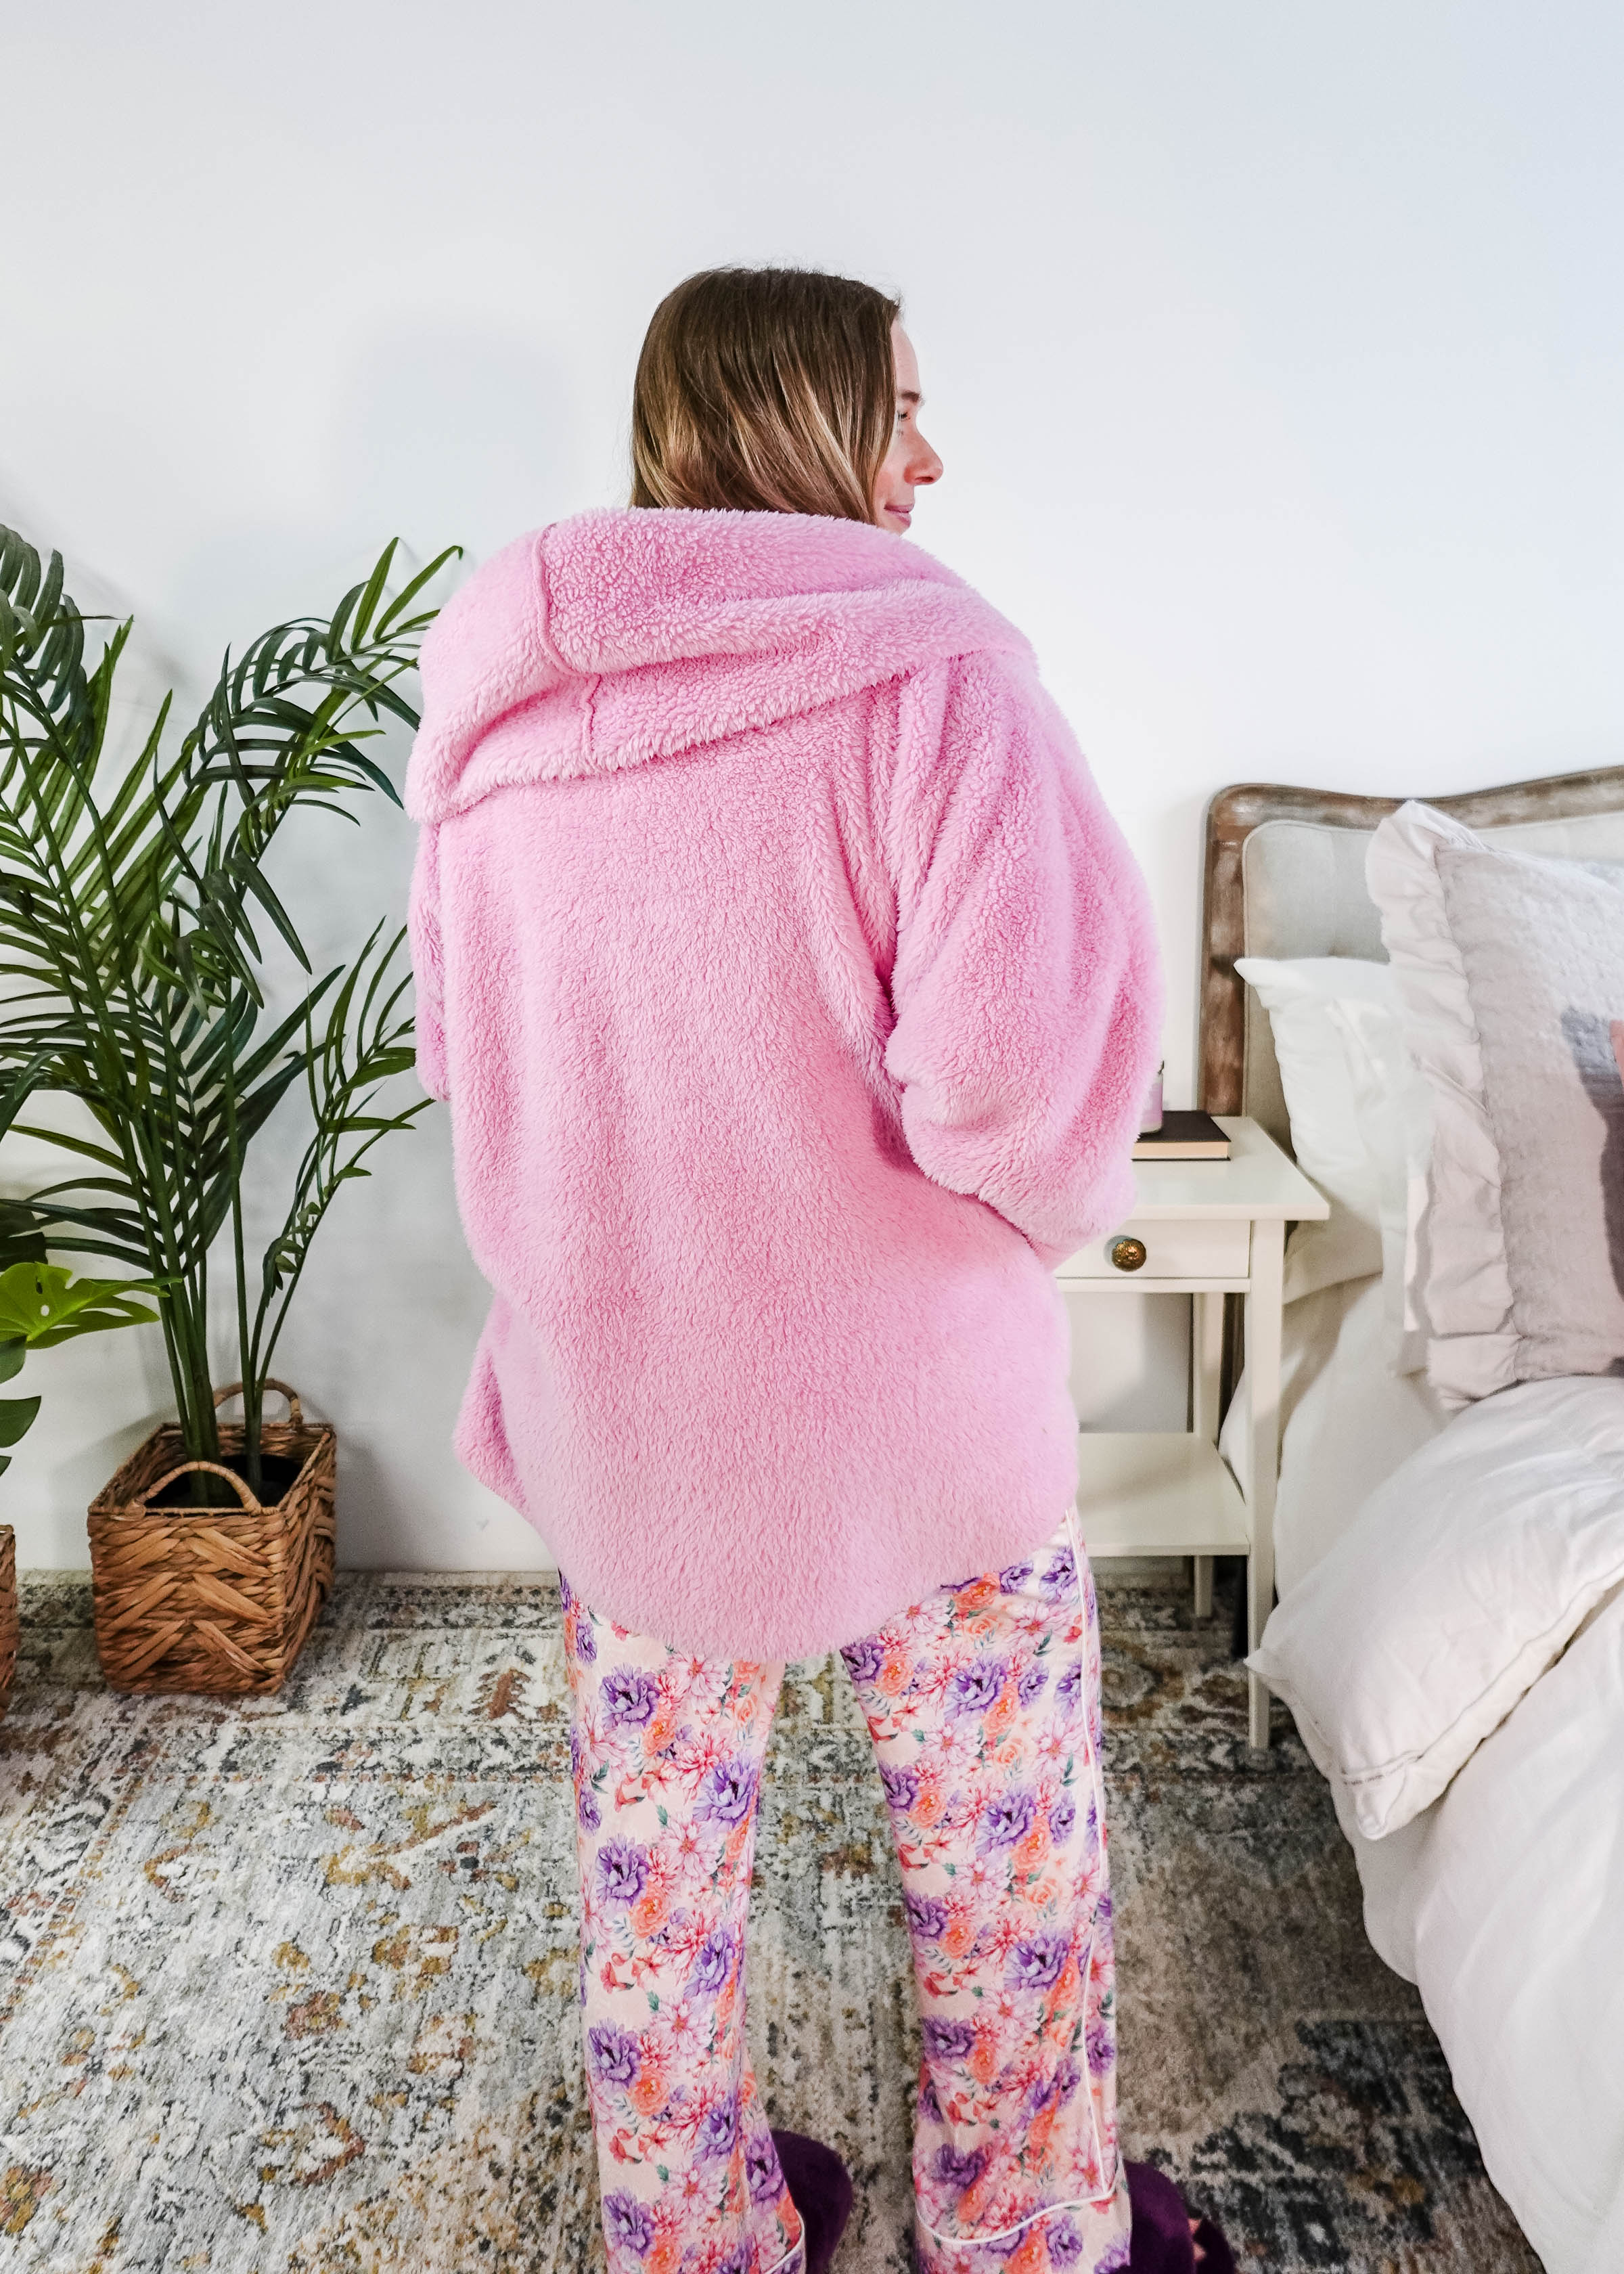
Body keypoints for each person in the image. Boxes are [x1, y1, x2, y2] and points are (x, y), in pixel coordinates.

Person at [405, 268, 1232, 2274]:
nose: (929, 459)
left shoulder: (497, 730)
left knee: (658, 1889)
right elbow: (1026, 1095)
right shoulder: (937, 688)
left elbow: (469, 1065)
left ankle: (689, 2235)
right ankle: (1030, 2232)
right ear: (799, 422)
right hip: (913, 1425)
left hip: (628, 1424)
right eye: (898, 411)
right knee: (1001, 1871)